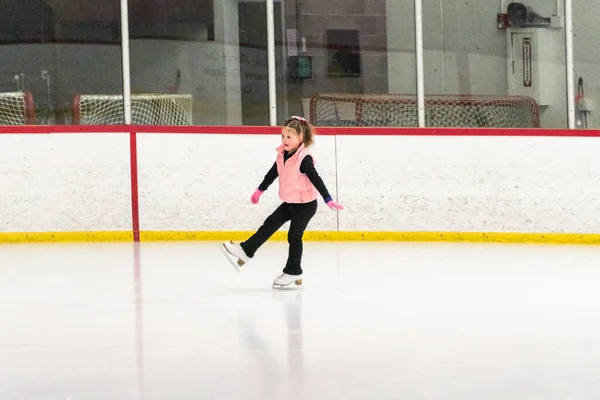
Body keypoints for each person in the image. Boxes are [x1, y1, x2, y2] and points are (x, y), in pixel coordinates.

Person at [221, 116, 343, 288]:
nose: (285, 140)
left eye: (289, 137)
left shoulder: (304, 158)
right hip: (291, 202)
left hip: (306, 205)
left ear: (299, 139)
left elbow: (316, 179)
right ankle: (245, 251)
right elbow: (273, 172)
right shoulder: (282, 154)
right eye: (283, 136)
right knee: (270, 223)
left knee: (294, 236)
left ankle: (293, 271)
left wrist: (327, 198)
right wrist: (260, 189)